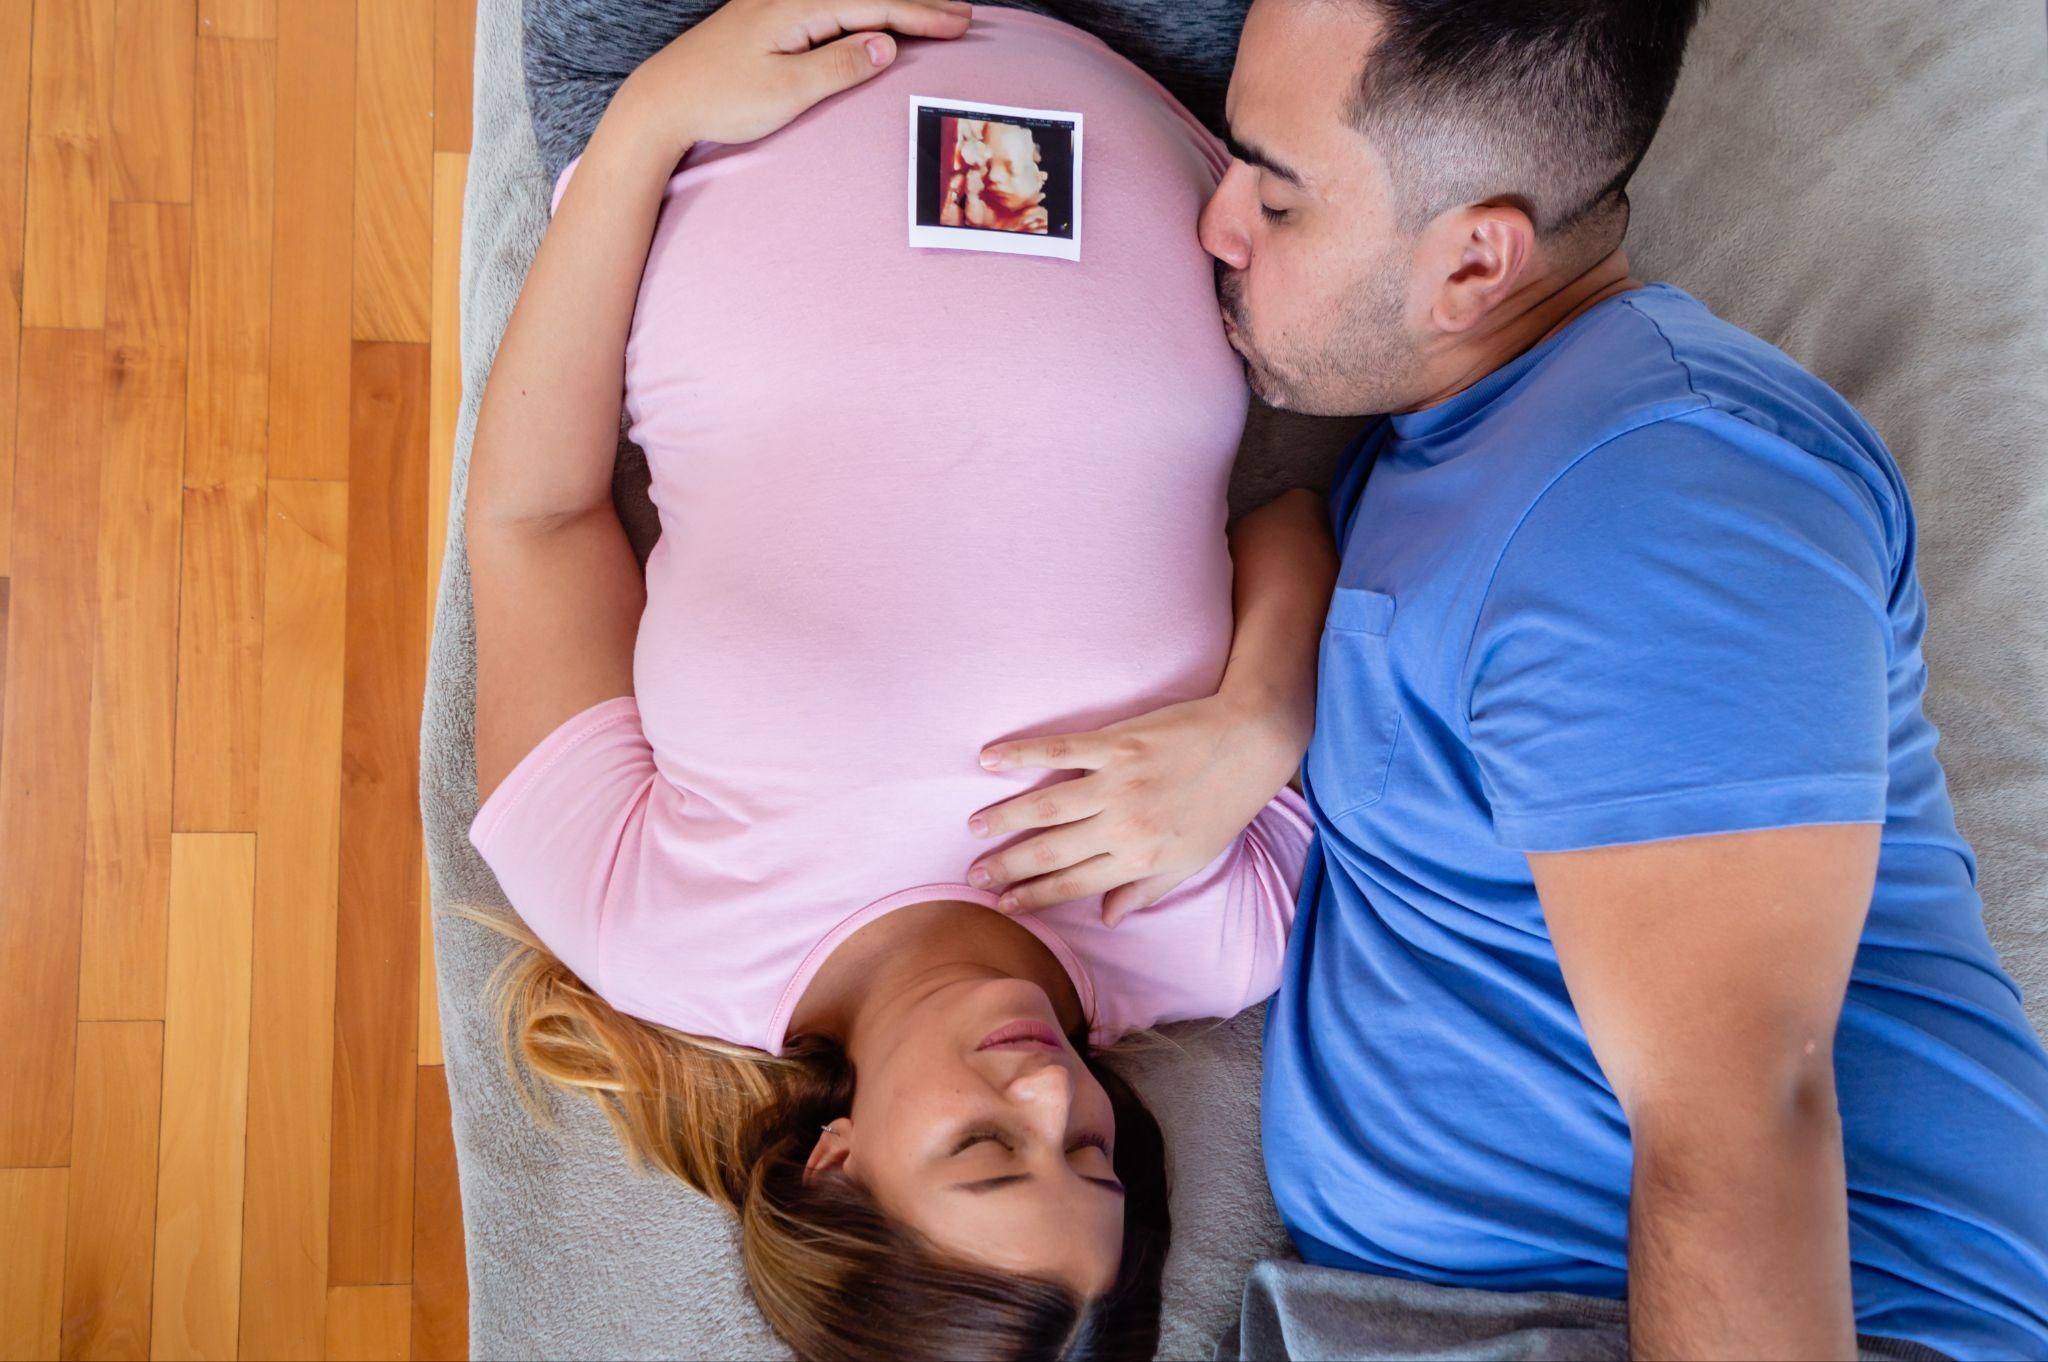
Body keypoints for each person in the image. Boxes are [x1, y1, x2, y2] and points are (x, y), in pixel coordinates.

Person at [1129, 0, 2048, 1356]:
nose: (1213, 224)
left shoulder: (1666, 498)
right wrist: (1267, 698)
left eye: (1275, 194)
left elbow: (1741, 1127)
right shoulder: (1483, 438)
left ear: (1473, 259)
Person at [464, 2, 1333, 1358]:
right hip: (1136, 58)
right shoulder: (1212, 931)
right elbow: (1289, 522)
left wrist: (652, 120)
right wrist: (1261, 718)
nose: (1050, 1095)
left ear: (836, 1162)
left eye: (988, 1151)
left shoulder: (644, 923)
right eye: (1096, 1154)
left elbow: (536, 518)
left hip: (716, 53)